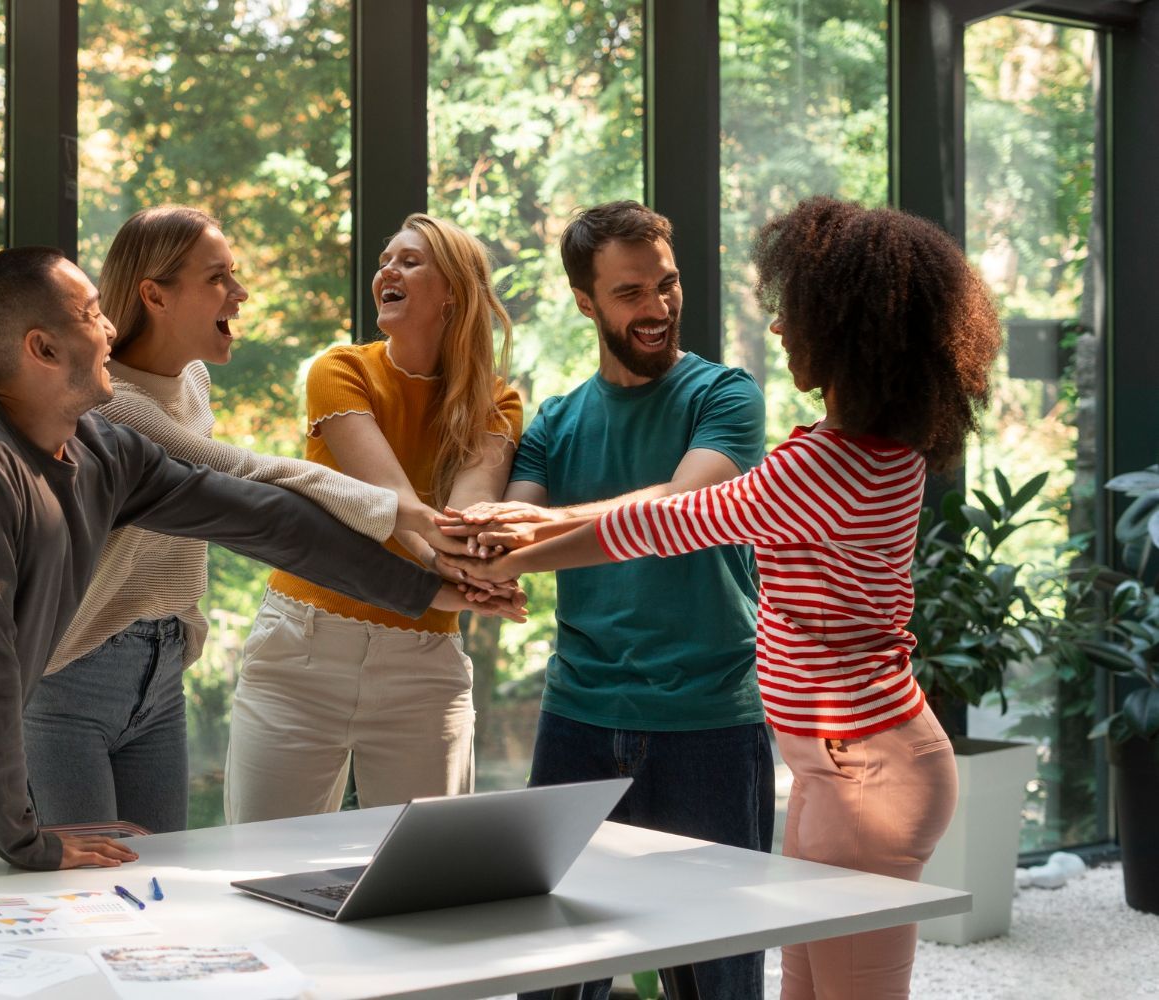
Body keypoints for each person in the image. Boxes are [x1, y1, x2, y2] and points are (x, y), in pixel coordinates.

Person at [0, 245, 522, 872]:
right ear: (41, 349)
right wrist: (26, 842)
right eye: (90, 316)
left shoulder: (103, 449)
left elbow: (265, 519)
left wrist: (428, 590)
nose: (110, 330)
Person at [445, 195, 1002, 1000]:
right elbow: (662, 517)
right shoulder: (878, 452)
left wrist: (539, 525)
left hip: (865, 769)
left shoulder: (821, 466)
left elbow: (673, 519)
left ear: (848, 334)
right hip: (835, 768)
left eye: (797, 316)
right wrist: (517, 533)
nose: (779, 331)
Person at [436, 200, 772, 1000]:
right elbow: (514, 541)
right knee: (551, 974)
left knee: (719, 976)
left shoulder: (726, 397)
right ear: (586, 301)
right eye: (630, 293)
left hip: (710, 725)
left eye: (667, 284)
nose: (657, 308)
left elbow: (680, 516)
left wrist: (538, 526)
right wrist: (490, 544)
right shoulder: (555, 422)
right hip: (578, 720)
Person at [25, 207, 453, 834]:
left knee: (156, 887)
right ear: (155, 295)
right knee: (83, 896)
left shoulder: (192, 378)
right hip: (73, 675)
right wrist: (404, 512)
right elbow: (247, 479)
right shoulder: (116, 409)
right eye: (218, 278)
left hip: (161, 667)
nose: (240, 293)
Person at [222, 213, 523, 823]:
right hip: (304, 647)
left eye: (410, 261)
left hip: (424, 660)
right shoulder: (340, 370)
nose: (386, 270)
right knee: (261, 863)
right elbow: (385, 505)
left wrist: (463, 570)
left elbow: (463, 517)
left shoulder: (498, 402)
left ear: (454, 295)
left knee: (428, 877)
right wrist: (463, 577)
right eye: (386, 260)